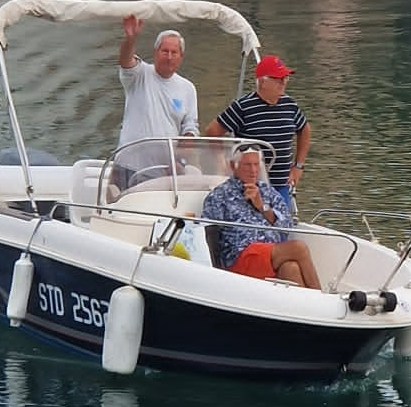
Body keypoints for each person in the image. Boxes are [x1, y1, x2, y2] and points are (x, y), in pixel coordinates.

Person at [202, 147, 322, 288]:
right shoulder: (219, 196)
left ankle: (303, 308)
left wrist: (262, 207)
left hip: (271, 253)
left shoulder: (267, 191)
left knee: (291, 268)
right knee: (298, 248)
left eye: (256, 165)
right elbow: (209, 234)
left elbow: (287, 227)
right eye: (247, 165)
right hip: (240, 256)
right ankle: (321, 297)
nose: (253, 170)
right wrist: (216, 274)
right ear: (233, 167)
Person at [209, 54, 310, 207]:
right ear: (263, 82)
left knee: (281, 226)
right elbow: (212, 132)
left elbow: (305, 130)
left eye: (285, 78)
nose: (283, 83)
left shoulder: (290, 105)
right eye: (279, 79)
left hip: (282, 185)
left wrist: (298, 166)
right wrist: (222, 162)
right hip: (249, 186)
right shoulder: (242, 107)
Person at [115, 15, 199, 182]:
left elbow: (190, 127)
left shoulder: (188, 88)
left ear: (181, 57)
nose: (169, 57)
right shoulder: (139, 75)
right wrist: (130, 39)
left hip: (166, 172)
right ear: (155, 53)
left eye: (174, 52)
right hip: (129, 166)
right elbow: (125, 60)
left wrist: (180, 159)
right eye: (165, 51)